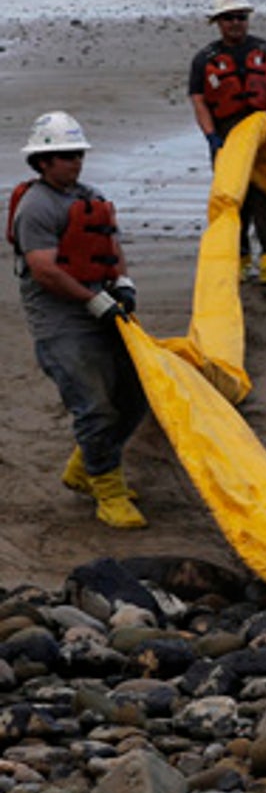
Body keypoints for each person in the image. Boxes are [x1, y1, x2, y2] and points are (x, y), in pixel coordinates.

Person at [8, 112, 149, 530]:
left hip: (102, 307)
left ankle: (87, 465)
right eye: (66, 156)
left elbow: (110, 245)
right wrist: (92, 301)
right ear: (43, 163)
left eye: (78, 154)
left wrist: (122, 283)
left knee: (134, 395)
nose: (76, 162)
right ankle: (108, 489)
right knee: (95, 405)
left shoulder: (90, 196)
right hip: (62, 322)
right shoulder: (35, 208)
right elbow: (45, 270)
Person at [187, 0, 266, 286]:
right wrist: (211, 137)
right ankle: (238, 262)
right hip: (226, 135)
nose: (235, 23)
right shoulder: (204, 59)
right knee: (234, 200)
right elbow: (199, 101)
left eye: (240, 17)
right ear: (218, 23)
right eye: (228, 18)